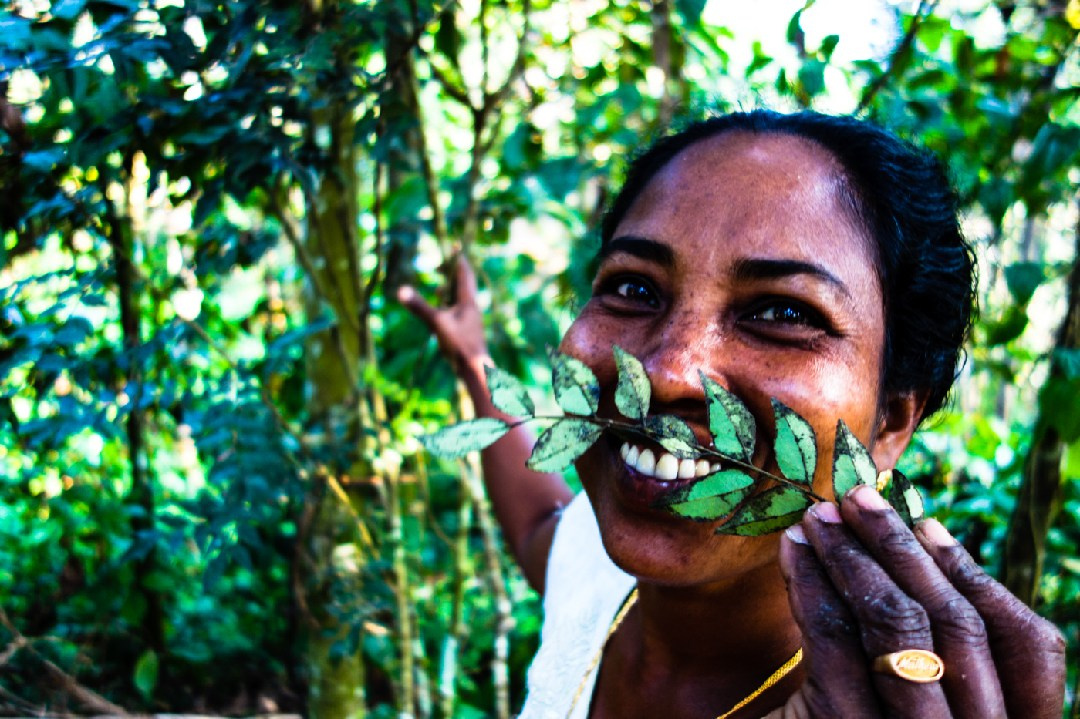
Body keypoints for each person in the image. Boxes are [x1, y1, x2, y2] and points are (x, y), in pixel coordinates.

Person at [398, 110, 1066, 718]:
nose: (667, 372)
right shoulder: (596, 579)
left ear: (892, 420)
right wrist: (473, 361)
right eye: (633, 288)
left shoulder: (884, 704)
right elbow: (538, 518)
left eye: (782, 313)